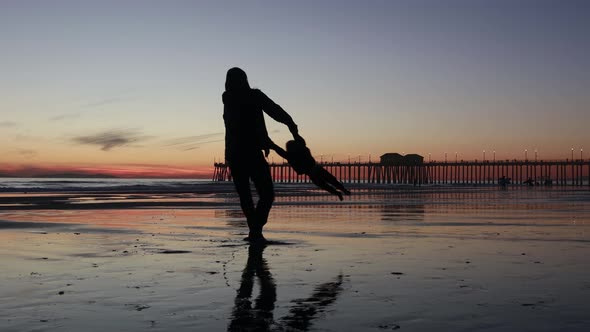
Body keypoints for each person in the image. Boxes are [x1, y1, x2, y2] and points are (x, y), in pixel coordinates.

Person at [223, 67, 301, 242]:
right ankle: (256, 231)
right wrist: (290, 124)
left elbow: (245, 122)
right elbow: (273, 110)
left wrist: (267, 138)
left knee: (247, 196)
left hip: (235, 154)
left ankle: (255, 231)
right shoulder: (251, 96)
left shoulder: (228, 98)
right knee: (266, 194)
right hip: (248, 152)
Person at [270, 138, 351, 201]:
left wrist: (270, 144)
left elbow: (278, 150)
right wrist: (294, 133)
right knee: (331, 181)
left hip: (312, 172)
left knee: (325, 185)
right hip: (316, 169)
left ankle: (338, 192)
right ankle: (342, 191)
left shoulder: (292, 154)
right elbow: (298, 141)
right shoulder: (303, 149)